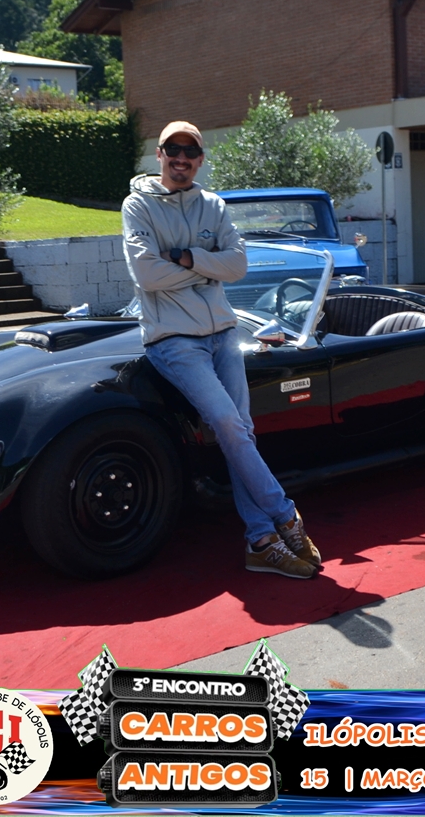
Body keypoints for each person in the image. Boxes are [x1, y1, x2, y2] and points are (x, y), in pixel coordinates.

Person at [122, 121, 323, 579]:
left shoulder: (213, 205)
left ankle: (260, 541)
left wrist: (184, 256)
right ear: (159, 154)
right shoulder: (138, 205)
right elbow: (146, 275)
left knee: (241, 431)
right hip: (173, 339)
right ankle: (285, 515)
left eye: (190, 151)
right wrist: (209, 266)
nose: (181, 158)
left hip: (223, 333)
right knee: (229, 423)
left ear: (200, 159)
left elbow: (239, 265)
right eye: (173, 149)